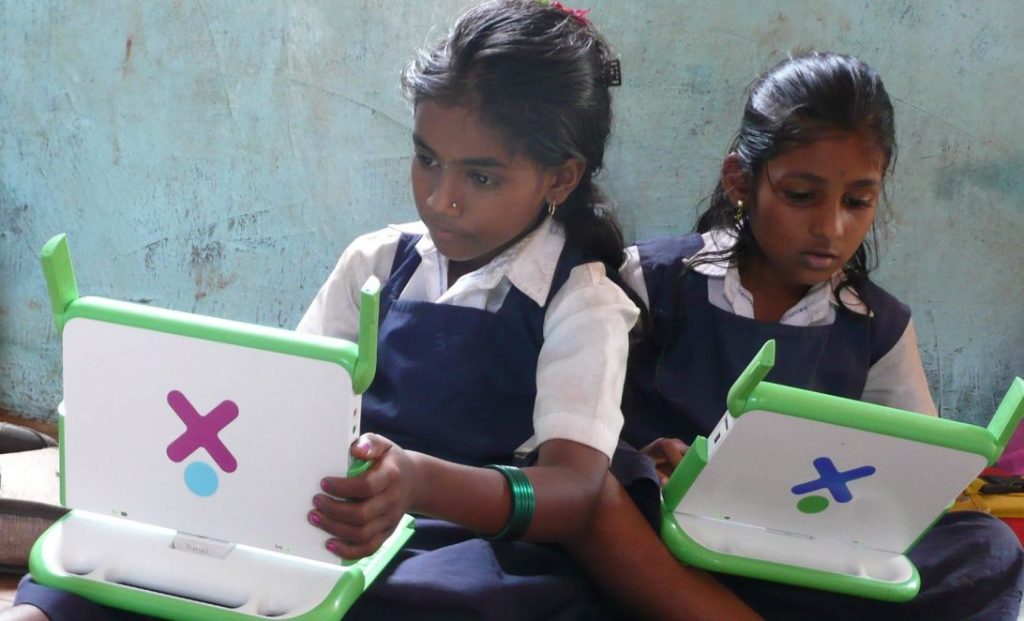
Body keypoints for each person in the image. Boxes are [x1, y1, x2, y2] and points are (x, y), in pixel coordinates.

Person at [6, 1, 646, 619]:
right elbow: (287, 406)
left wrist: (419, 483)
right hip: (327, 524)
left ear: (560, 179)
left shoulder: (580, 301)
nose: (441, 199)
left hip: (461, 549)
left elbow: (578, 491)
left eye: (480, 177)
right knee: (123, 561)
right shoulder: (376, 262)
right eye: (426, 159)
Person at [601, 51, 1024, 620]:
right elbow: (572, 429)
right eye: (802, 196)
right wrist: (634, 461)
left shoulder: (877, 327)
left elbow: (919, 476)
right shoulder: (650, 281)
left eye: (858, 201)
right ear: (740, 182)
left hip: (801, 561)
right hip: (670, 548)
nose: (831, 227)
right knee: (600, 512)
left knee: (987, 549)